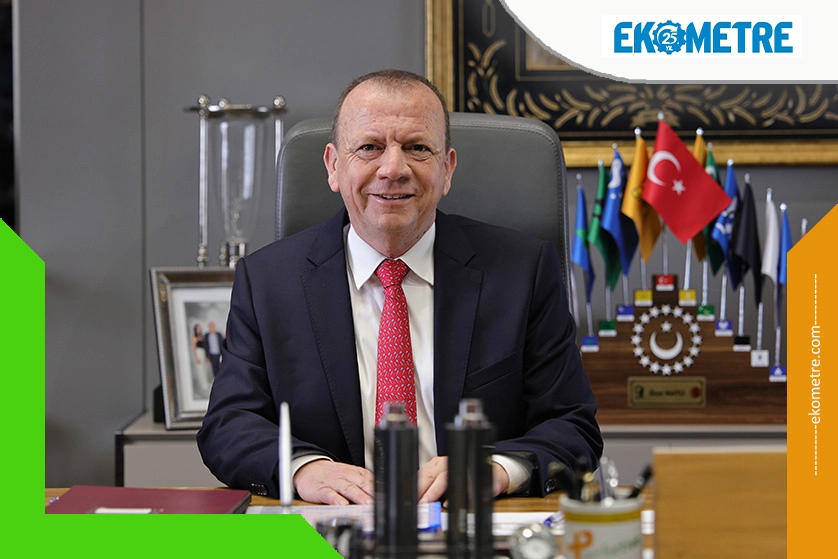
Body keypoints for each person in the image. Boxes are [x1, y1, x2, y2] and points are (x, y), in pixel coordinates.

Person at [197, 69, 602, 506]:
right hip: (329, 524)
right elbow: (228, 424)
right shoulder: (267, 281)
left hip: (472, 521)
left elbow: (571, 425)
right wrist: (302, 468)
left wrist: (499, 469)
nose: (393, 169)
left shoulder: (522, 271)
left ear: (447, 169)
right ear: (334, 166)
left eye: (417, 148)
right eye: (369, 147)